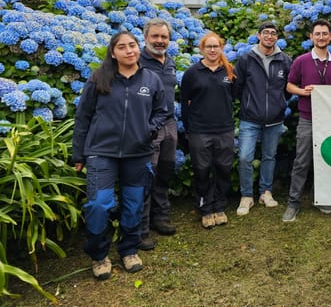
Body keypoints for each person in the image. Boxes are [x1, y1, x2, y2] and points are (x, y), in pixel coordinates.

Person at [72, 31, 168, 280]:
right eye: (122, 47)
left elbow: (162, 111)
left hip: (138, 153)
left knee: (134, 204)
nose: (129, 50)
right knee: (98, 205)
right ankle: (99, 255)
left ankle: (128, 250)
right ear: (113, 53)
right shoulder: (99, 79)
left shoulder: (152, 79)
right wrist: (78, 154)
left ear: (138, 48)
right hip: (101, 152)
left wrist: (148, 129)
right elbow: (83, 117)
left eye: (133, 45)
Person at [282, 20, 331, 222]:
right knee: (301, 161)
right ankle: (293, 203)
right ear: (311, 37)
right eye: (317, 34)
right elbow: (289, 86)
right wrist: (302, 91)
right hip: (308, 119)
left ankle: (322, 198)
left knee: (327, 160)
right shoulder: (302, 61)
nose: (321, 37)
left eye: (325, 33)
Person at [234, 21, 292, 216]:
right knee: (244, 157)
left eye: (273, 33)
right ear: (258, 36)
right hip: (249, 118)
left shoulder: (285, 60)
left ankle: (265, 192)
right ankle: (247, 196)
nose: (269, 36)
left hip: (275, 119)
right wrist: (249, 104)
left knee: (269, 157)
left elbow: (288, 88)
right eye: (265, 33)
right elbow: (237, 87)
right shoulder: (245, 59)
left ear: (277, 37)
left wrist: (279, 104)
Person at [181, 32, 236, 229]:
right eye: (208, 47)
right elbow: (184, 103)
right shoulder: (192, 73)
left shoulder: (229, 71)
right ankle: (205, 209)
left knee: (223, 169)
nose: (212, 50)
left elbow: (234, 97)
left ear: (221, 48)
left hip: (224, 130)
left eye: (216, 46)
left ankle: (220, 207)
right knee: (202, 170)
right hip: (199, 131)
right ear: (202, 49)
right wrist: (189, 128)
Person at [139, 18, 178, 251]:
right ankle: (141, 229)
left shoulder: (169, 62)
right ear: (146, 38)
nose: (160, 41)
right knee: (145, 176)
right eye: (155, 36)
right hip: (148, 125)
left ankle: (160, 218)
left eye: (164, 37)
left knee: (165, 171)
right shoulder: (139, 62)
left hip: (170, 123)